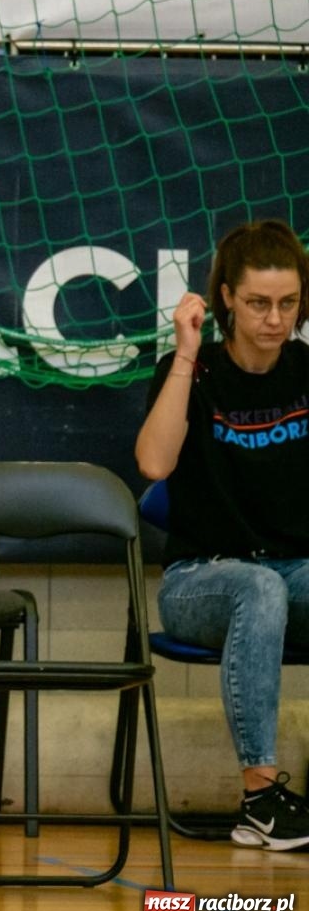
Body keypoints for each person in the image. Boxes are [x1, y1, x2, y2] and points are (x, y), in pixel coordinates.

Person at [135, 217, 309, 852]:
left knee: (274, 584)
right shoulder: (194, 370)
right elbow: (154, 464)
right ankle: (260, 800)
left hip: (293, 572)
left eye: (288, 303)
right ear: (227, 298)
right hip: (201, 581)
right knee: (259, 588)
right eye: (259, 303)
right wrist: (185, 354)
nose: (275, 319)